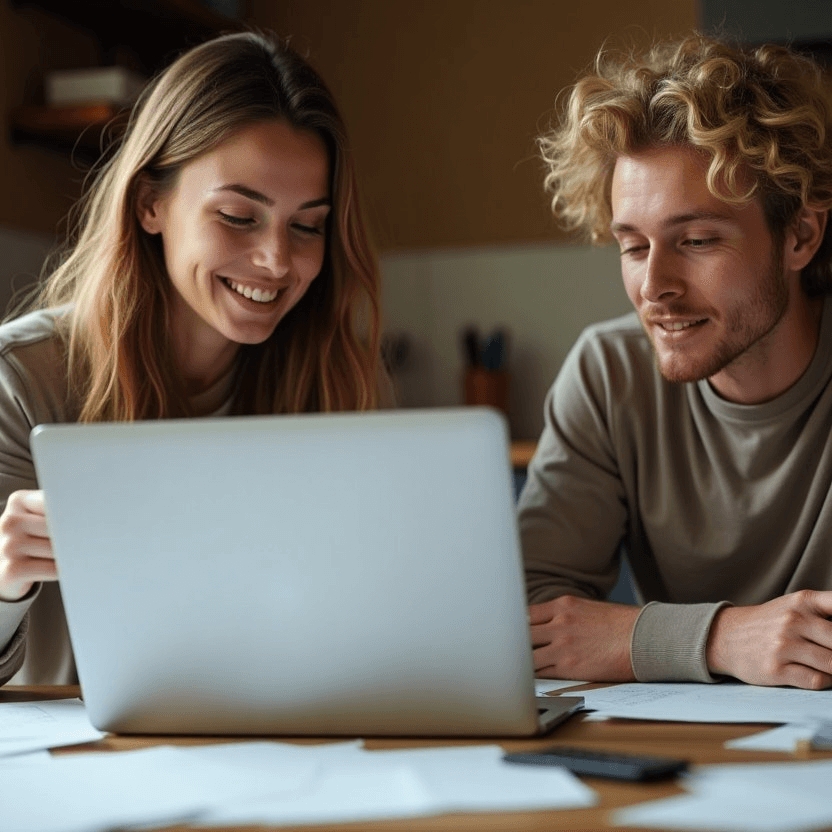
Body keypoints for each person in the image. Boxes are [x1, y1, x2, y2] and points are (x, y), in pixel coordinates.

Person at [0, 31, 386, 686]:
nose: (277, 261)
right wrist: (4, 587)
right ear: (150, 203)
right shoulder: (21, 378)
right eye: (239, 215)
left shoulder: (331, 375)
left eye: (307, 225)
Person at [521, 33, 832, 689]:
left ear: (800, 234)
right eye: (633, 247)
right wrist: (720, 639)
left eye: (694, 240)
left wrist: (626, 638)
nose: (654, 287)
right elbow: (525, 621)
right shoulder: (608, 374)